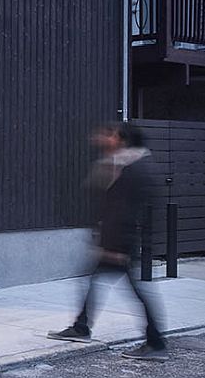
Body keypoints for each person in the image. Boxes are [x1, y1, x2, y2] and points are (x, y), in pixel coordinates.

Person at [48, 122, 167, 361]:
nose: (105, 138)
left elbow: (126, 211)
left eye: (110, 135)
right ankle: (82, 327)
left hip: (120, 243)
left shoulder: (134, 170)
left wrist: (116, 246)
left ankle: (155, 342)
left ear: (123, 140)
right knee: (95, 282)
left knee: (137, 291)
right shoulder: (122, 164)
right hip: (115, 241)